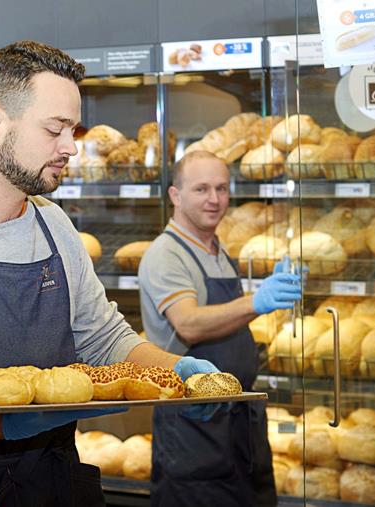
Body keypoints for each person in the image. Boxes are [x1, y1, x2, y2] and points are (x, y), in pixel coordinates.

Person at [0, 40, 220, 507]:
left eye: (74, 129)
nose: (71, 147)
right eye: (55, 129)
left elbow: (102, 340)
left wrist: (180, 374)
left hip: (55, 482)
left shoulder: (54, 226)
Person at [138, 150, 302, 507]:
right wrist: (256, 301)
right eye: (201, 189)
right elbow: (189, 323)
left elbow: (224, 319)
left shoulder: (216, 249)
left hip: (240, 426)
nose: (214, 199)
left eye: (222, 189)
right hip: (194, 431)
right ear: (175, 196)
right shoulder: (166, 254)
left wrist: (259, 302)